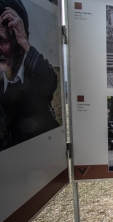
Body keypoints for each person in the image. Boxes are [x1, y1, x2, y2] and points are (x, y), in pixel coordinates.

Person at [0, 0, 60, 151]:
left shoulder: (35, 75)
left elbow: (50, 81)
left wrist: (25, 44)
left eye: (1, 41)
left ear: (19, 43)